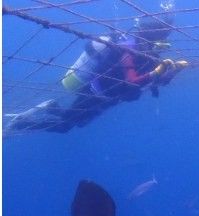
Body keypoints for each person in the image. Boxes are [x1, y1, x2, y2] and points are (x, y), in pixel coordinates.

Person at [4, 16, 188, 134]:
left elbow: (157, 82)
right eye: (160, 43)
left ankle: (51, 108)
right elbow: (133, 82)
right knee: (65, 126)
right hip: (94, 93)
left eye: (164, 45)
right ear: (149, 39)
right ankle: (22, 123)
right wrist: (157, 71)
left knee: (78, 124)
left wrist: (173, 71)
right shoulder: (129, 51)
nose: (161, 48)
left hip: (108, 99)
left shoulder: (149, 56)